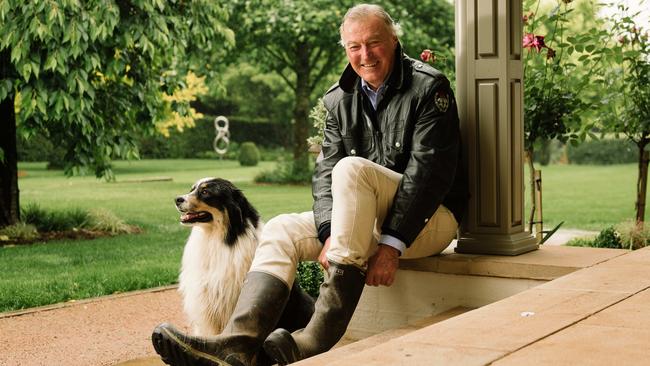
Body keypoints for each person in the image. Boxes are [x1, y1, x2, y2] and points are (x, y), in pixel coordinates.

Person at [151, 3, 468, 366]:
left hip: (428, 222)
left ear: (394, 41)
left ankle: (311, 340)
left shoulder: (429, 87)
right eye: (354, 46)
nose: (364, 55)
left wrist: (393, 243)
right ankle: (235, 344)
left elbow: (428, 175)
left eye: (374, 43)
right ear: (346, 49)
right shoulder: (338, 98)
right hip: (364, 219)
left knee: (350, 169)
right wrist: (330, 229)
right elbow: (324, 173)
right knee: (283, 228)